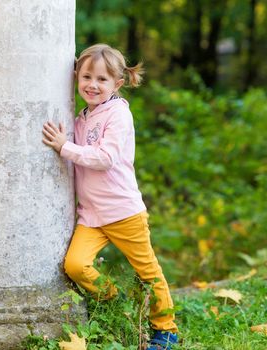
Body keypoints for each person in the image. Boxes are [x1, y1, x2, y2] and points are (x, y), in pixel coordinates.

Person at [42, 43, 179, 349]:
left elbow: (105, 158)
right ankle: (116, 302)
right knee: (75, 265)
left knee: (148, 271)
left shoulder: (118, 115)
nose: (92, 85)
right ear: (77, 77)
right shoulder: (81, 116)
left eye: (102, 80)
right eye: (86, 76)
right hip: (91, 215)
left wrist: (65, 146)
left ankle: (166, 329)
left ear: (117, 84)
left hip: (122, 211)